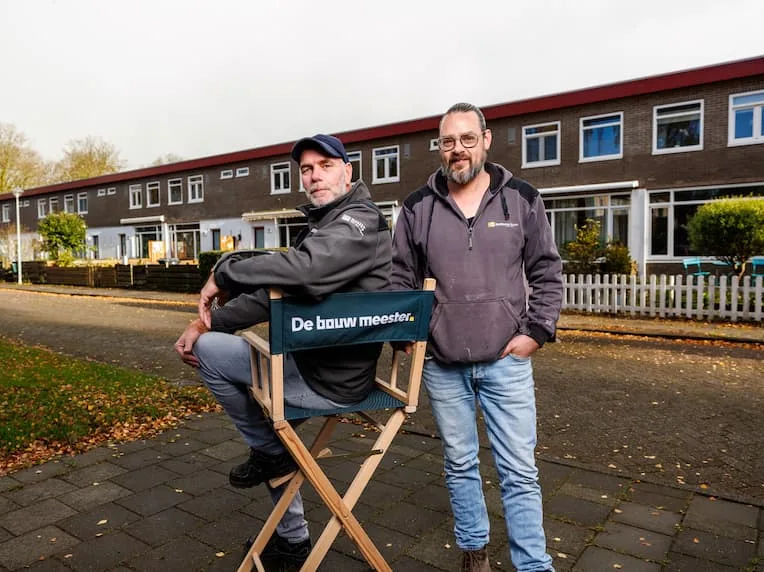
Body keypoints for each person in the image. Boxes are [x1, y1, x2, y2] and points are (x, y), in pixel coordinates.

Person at [175, 134, 391, 568]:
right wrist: (207, 321)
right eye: (306, 169)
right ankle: (291, 536)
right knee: (221, 353)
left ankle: (271, 459)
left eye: (325, 165)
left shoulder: (359, 222)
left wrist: (226, 270)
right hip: (308, 363)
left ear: (348, 172)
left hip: (329, 380)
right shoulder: (328, 226)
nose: (314, 176)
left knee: (225, 369)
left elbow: (306, 272)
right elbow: (277, 294)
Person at [391, 103, 562, 572]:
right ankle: (475, 553)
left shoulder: (522, 198)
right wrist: (408, 335)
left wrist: (537, 331)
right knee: (460, 463)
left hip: (505, 359)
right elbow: (400, 279)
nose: (458, 150)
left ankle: (533, 566)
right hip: (443, 364)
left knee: (519, 471)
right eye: (448, 141)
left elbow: (546, 271)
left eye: (467, 139)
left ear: (486, 140)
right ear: (440, 148)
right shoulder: (416, 207)